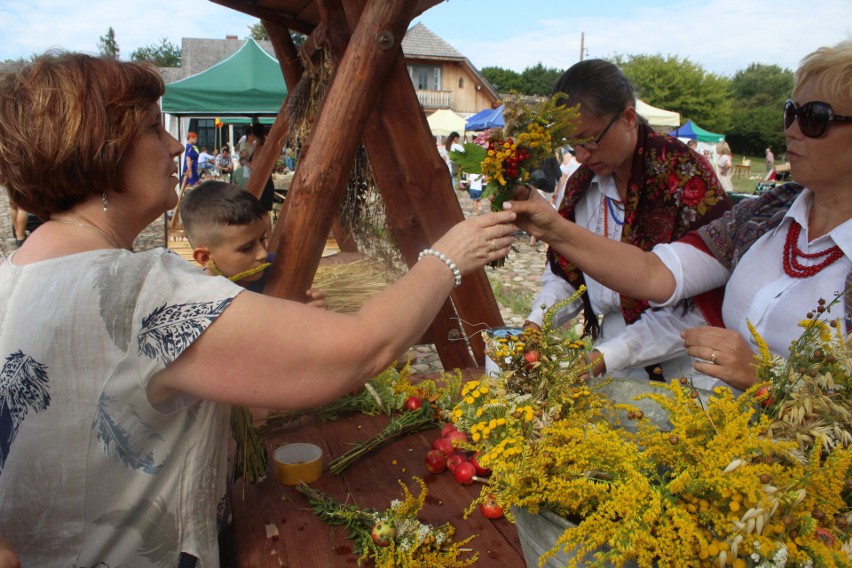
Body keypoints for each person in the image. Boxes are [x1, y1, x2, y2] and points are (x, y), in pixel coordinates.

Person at [0, 53, 518, 566]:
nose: (175, 145)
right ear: (105, 151)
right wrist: (448, 256)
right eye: (156, 130)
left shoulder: (15, 274)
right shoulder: (139, 290)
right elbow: (361, 349)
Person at [507, 40, 852, 392]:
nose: (791, 130)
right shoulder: (765, 214)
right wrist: (550, 233)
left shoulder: (684, 176)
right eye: (791, 113)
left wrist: (768, 379)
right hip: (696, 407)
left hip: (680, 372)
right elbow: (655, 273)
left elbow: (694, 307)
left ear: (628, 117)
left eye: (815, 119)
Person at [523, 59, 732, 384]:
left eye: (589, 139)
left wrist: (607, 356)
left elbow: (701, 302)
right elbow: (568, 274)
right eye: (571, 143)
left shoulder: (684, 177)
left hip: (690, 363)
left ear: (628, 117)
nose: (580, 155)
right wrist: (536, 323)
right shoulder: (581, 187)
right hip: (615, 354)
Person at [179, 180, 325, 302]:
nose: (263, 253)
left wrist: (308, 309)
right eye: (247, 247)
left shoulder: (280, 267)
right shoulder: (202, 301)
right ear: (205, 257)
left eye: (263, 239)